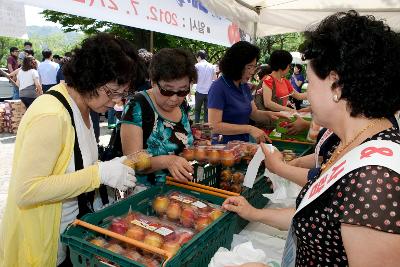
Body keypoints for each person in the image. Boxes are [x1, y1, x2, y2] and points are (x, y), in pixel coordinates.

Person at [224, 11, 400, 267]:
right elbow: (319, 221)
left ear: (336, 86)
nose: (306, 92)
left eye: (309, 81)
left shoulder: (375, 179)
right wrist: (255, 213)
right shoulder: (354, 144)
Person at [0, 33, 143, 267]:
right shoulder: (51, 114)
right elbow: (27, 191)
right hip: (42, 248)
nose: (117, 102)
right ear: (91, 77)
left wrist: (113, 170)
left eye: (122, 94)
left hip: (69, 241)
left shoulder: (84, 108)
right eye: (113, 92)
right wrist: (99, 174)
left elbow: (73, 166)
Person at [120, 48, 196, 184]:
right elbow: (131, 161)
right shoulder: (137, 106)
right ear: (153, 82)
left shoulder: (182, 104)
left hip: (180, 193)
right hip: (145, 196)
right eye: (167, 90)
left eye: (182, 90)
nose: (174, 98)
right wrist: (166, 161)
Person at [208, 41, 281, 144]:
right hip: (224, 150)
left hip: (242, 146)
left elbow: (254, 113)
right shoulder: (218, 87)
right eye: (249, 67)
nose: (252, 72)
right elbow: (214, 126)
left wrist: (271, 114)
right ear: (237, 65)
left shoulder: (244, 85)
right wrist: (249, 129)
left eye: (254, 67)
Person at [194, 50, 216, 123]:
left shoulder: (197, 66)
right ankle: (206, 132)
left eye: (197, 58)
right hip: (209, 92)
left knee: (197, 110)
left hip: (199, 91)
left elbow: (194, 79)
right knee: (207, 112)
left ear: (199, 57)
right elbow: (215, 79)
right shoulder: (212, 66)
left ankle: (196, 130)